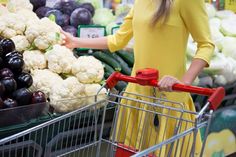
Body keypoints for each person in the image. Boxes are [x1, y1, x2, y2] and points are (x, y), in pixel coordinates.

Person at [61, 0, 214, 156]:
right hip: (136, 98)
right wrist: (75, 41)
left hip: (169, 101)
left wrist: (184, 82)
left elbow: (206, 45)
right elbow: (118, 39)